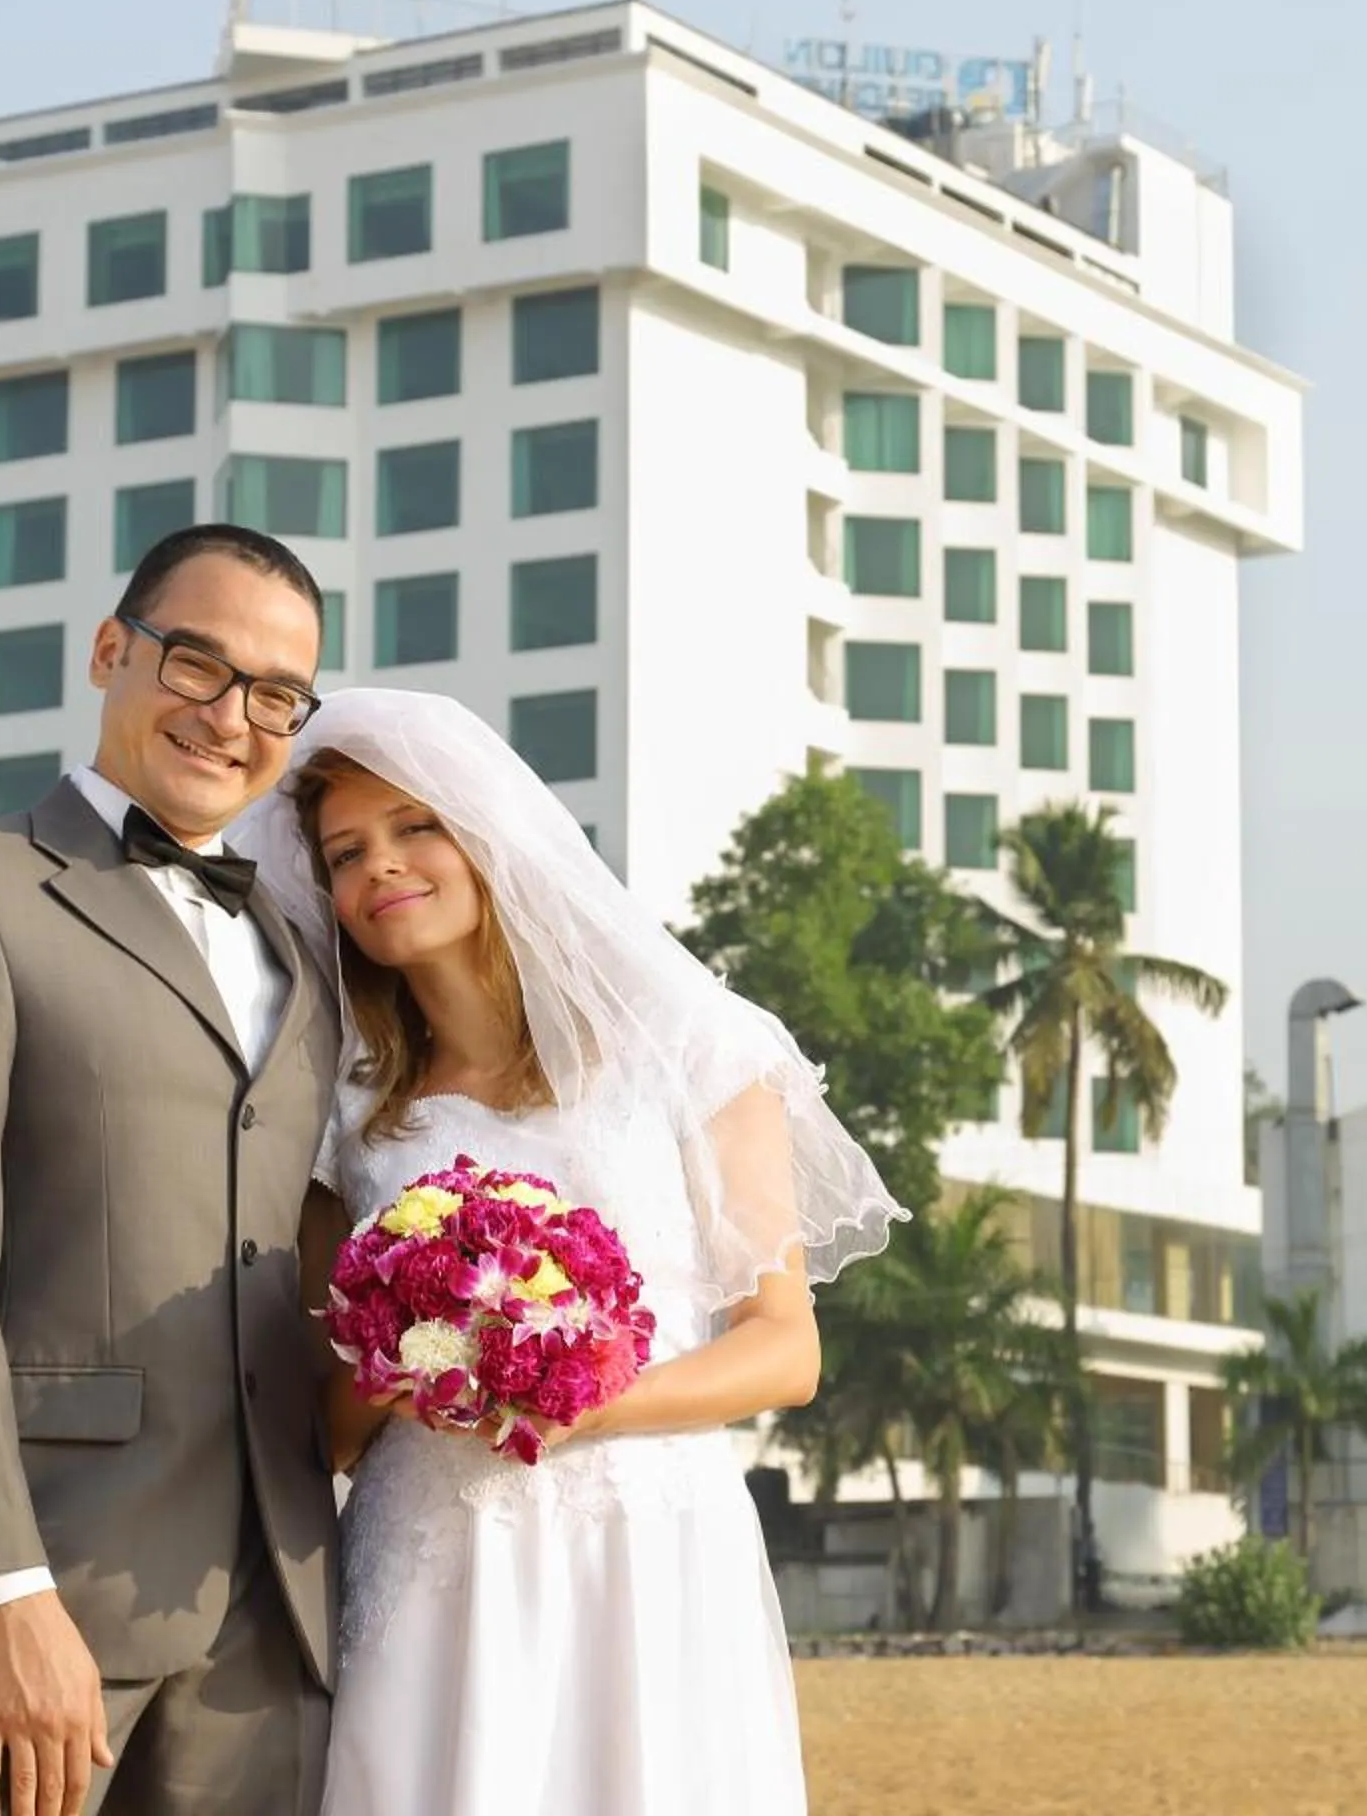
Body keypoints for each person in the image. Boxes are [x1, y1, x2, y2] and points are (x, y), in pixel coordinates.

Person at [231, 686, 906, 1816]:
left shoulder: (689, 1046)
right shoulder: (344, 1119)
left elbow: (786, 1350)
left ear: (488, 833)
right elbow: (330, 1431)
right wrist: (412, 1351)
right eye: (345, 853)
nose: (380, 865)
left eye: (415, 826)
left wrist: (572, 1397)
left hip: (647, 1550)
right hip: (438, 1558)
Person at [0, 525, 343, 1816]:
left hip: (270, 1640)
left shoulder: (305, 953)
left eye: (276, 695)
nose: (230, 717)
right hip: (27, 1606)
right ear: (112, 651)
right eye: (197, 665)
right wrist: (5, 1592)